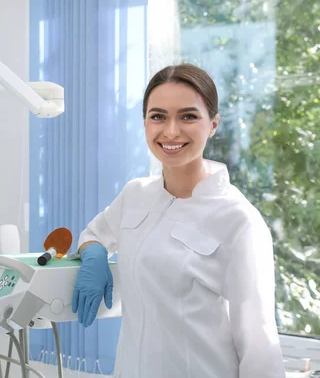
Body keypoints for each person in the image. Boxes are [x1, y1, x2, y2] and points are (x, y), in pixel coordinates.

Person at [72, 64, 285, 377]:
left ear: (213, 124)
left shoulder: (239, 221)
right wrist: (93, 255)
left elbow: (259, 344)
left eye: (188, 116)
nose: (170, 131)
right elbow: (94, 233)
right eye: (158, 116)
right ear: (144, 122)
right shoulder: (136, 194)